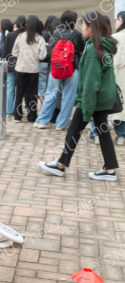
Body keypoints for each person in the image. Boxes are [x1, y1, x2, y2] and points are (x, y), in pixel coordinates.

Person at [39, 11, 119, 182]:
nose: (81, 28)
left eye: (84, 25)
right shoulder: (102, 45)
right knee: (98, 132)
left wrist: (87, 108)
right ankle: (109, 169)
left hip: (91, 99)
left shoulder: (92, 50)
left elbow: (91, 82)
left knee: (75, 131)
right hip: (99, 98)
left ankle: (61, 165)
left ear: (92, 27)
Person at [34, 11, 85, 131]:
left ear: (62, 20)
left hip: (56, 68)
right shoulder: (77, 34)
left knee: (51, 94)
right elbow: (81, 52)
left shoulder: (56, 33)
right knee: (68, 97)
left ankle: (42, 121)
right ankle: (61, 124)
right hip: (72, 69)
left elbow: (52, 50)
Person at [12, 15, 47, 123]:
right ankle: (31, 117)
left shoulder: (20, 36)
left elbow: (14, 52)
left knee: (19, 92)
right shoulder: (40, 38)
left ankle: (17, 117)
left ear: (27, 24)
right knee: (32, 94)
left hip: (21, 68)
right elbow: (42, 56)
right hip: (33, 69)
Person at [2, 16, 26, 116]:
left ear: (15, 25)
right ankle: (17, 110)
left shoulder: (10, 35)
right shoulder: (25, 35)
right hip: (21, 64)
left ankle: (8, 110)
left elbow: (5, 50)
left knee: (9, 88)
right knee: (18, 89)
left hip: (10, 65)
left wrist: (4, 62)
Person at [108, 11, 125, 146]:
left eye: (118, 20)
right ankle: (121, 135)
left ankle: (120, 135)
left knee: (119, 104)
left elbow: (111, 60)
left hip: (118, 75)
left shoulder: (115, 37)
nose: (116, 22)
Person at [38, 15, 57, 103]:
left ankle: (43, 106)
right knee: (50, 86)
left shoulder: (43, 34)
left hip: (42, 62)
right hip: (52, 63)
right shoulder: (56, 34)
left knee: (41, 87)